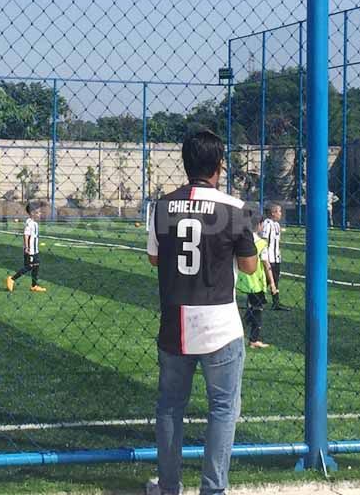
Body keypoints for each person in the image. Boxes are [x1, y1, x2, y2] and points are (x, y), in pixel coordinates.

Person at [145, 130, 257, 495]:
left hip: (175, 321)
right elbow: (252, 266)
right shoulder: (236, 208)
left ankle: (169, 487)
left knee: (170, 408)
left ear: (185, 162)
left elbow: (154, 257)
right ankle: (213, 488)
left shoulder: (162, 206)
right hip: (220, 323)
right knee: (223, 409)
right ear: (219, 164)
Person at [238, 213, 274, 349]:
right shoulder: (261, 243)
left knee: (252, 308)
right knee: (257, 310)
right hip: (256, 282)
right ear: (259, 225)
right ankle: (253, 339)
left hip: (243, 281)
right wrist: (273, 284)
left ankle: (242, 332)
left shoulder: (241, 240)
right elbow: (266, 264)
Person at [6, 201, 46, 293]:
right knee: (29, 266)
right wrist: (27, 247)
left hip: (35, 250)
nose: (40, 214)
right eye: (38, 212)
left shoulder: (34, 223)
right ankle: (12, 279)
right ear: (32, 213)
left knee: (36, 266)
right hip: (30, 250)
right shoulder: (30, 223)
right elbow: (26, 235)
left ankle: (34, 286)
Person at [260, 202, 289, 311]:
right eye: (279, 211)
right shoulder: (267, 224)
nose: (281, 214)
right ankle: (258, 299)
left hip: (276, 257)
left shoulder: (276, 224)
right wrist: (264, 256)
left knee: (275, 280)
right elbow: (264, 240)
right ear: (273, 213)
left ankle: (275, 302)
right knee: (268, 280)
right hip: (269, 258)